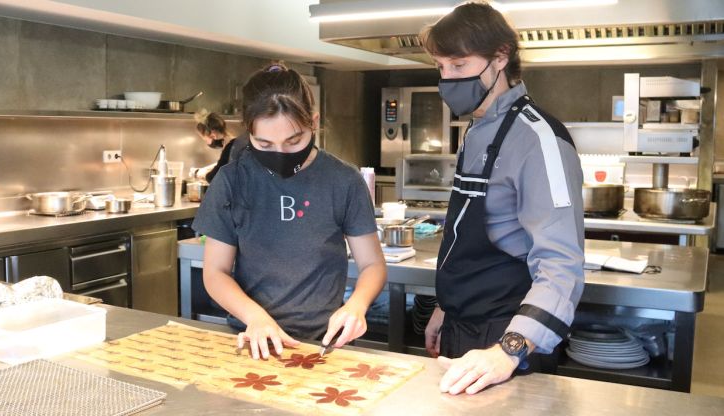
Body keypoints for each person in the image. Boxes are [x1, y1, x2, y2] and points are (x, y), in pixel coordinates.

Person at [420, 2, 585, 395]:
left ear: (500, 57)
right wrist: (447, 305)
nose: (447, 79)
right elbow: (465, 234)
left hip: (508, 337)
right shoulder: (477, 131)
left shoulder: (540, 140)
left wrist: (508, 352)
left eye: (458, 65)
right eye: (440, 67)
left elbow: (561, 265)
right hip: (462, 325)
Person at [192, 63, 387, 360]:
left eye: (294, 141)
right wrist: (256, 318)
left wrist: (356, 306)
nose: (281, 155)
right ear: (249, 132)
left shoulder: (343, 181)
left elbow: (372, 264)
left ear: (314, 123)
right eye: (264, 143)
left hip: (326, 343)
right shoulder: (233, 181)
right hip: (252, 339)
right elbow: (215, 272)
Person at [191, 110, 248, 183]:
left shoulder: (231, 148)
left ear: (213, 135)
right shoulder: (235, 144)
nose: (207, 143)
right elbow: (222, 164)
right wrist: (206, 169)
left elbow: (213, 177)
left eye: (205, 140)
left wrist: (200, 174)